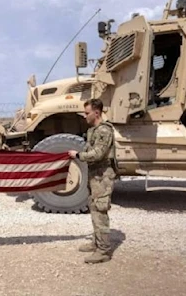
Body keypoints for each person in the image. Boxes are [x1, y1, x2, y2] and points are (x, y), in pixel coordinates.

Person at [68, 98, 118, 264]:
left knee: (100, 209)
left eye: (87, 113)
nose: (85, 116)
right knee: (94, 208)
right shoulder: (93, 130)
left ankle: (103, 250)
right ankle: (97, 242)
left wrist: (78, 156)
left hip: (103, 175)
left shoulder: (104, 130)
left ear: (96, 112)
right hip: (95, 174)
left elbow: (98, 153)